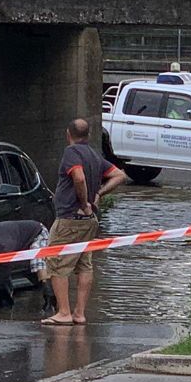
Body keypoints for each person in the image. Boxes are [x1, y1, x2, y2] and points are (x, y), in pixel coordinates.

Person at [43, 117, 125, 327]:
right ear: (88, 136)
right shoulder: (94, 155)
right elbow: (119, 175)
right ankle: (79, 313)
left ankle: (63, 312)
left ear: (68, 135)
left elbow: (78, 177)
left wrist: (85, 201)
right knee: (84, 263)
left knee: (56, 262)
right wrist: (99, 193)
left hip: (70, 218)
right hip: (89, 222)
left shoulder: (71, 153)